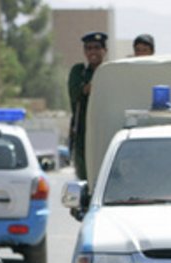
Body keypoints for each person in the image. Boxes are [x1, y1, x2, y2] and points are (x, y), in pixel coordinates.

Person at [68, 31, 108, 180]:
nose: (93, 52)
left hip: (106, 129)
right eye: (89, 48)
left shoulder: (110, 71)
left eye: (97, 48)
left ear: (105, 50)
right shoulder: (80, 72)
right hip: (83, 133)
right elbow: (75, 94)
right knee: (85, 177)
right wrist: (90, 87)